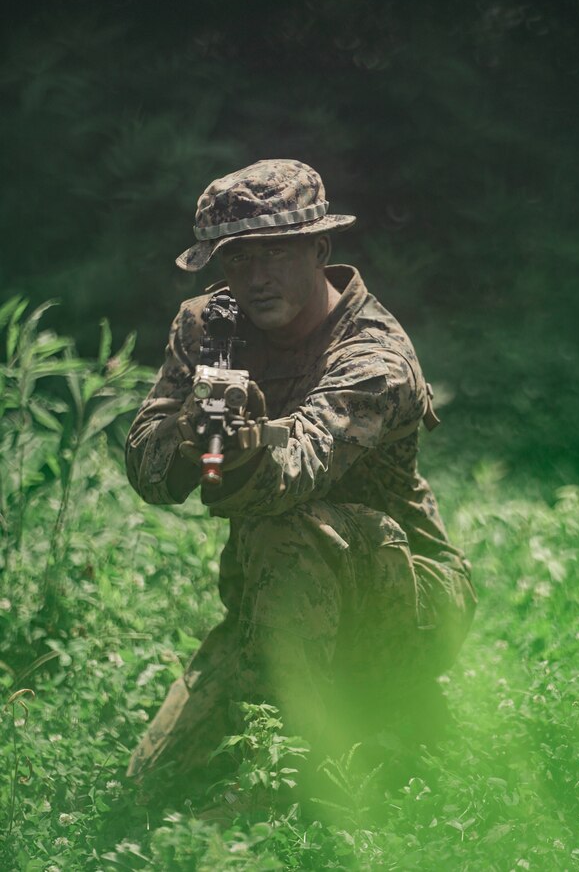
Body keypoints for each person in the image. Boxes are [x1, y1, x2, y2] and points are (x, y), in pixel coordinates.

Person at [125, 158, 476, 800]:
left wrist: (238, 450)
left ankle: (300, 789)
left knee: (286, 527)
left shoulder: (373, 355)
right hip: (276, 599)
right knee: (149, 795)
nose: (255, 280)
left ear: (318, 248)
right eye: (236, 261)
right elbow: (148, 464)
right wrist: (192, 433)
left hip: (402, 601)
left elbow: (297, 470)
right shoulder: (210, 328)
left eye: (275, 256)